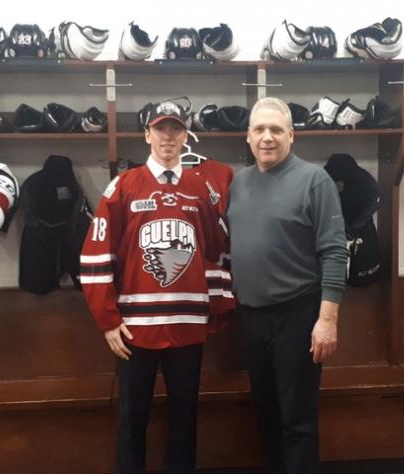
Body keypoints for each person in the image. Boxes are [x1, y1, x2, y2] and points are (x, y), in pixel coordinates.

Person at [80, 98, 227, 474]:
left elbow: (216, 252)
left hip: (187, 328)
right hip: (135, 330)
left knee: (185, 420)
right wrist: (108, 320)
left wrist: (215, 310)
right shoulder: (123, 187)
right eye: (160, 128)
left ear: (186, 135)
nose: (168, 136)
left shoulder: (200, 188)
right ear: (147, 134)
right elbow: (95, 256)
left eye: (176, 128)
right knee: (132, 420)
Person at [227, 97, 349, 474]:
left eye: (276, 130)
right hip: (251, 315)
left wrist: (327, 320)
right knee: (266, 411)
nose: (267, 137)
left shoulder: (315, 180)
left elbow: (334, 252)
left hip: (298, 313)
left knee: (297, 418)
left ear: (291, 136)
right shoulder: (239, 182)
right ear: (248, 137)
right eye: (260, 130)